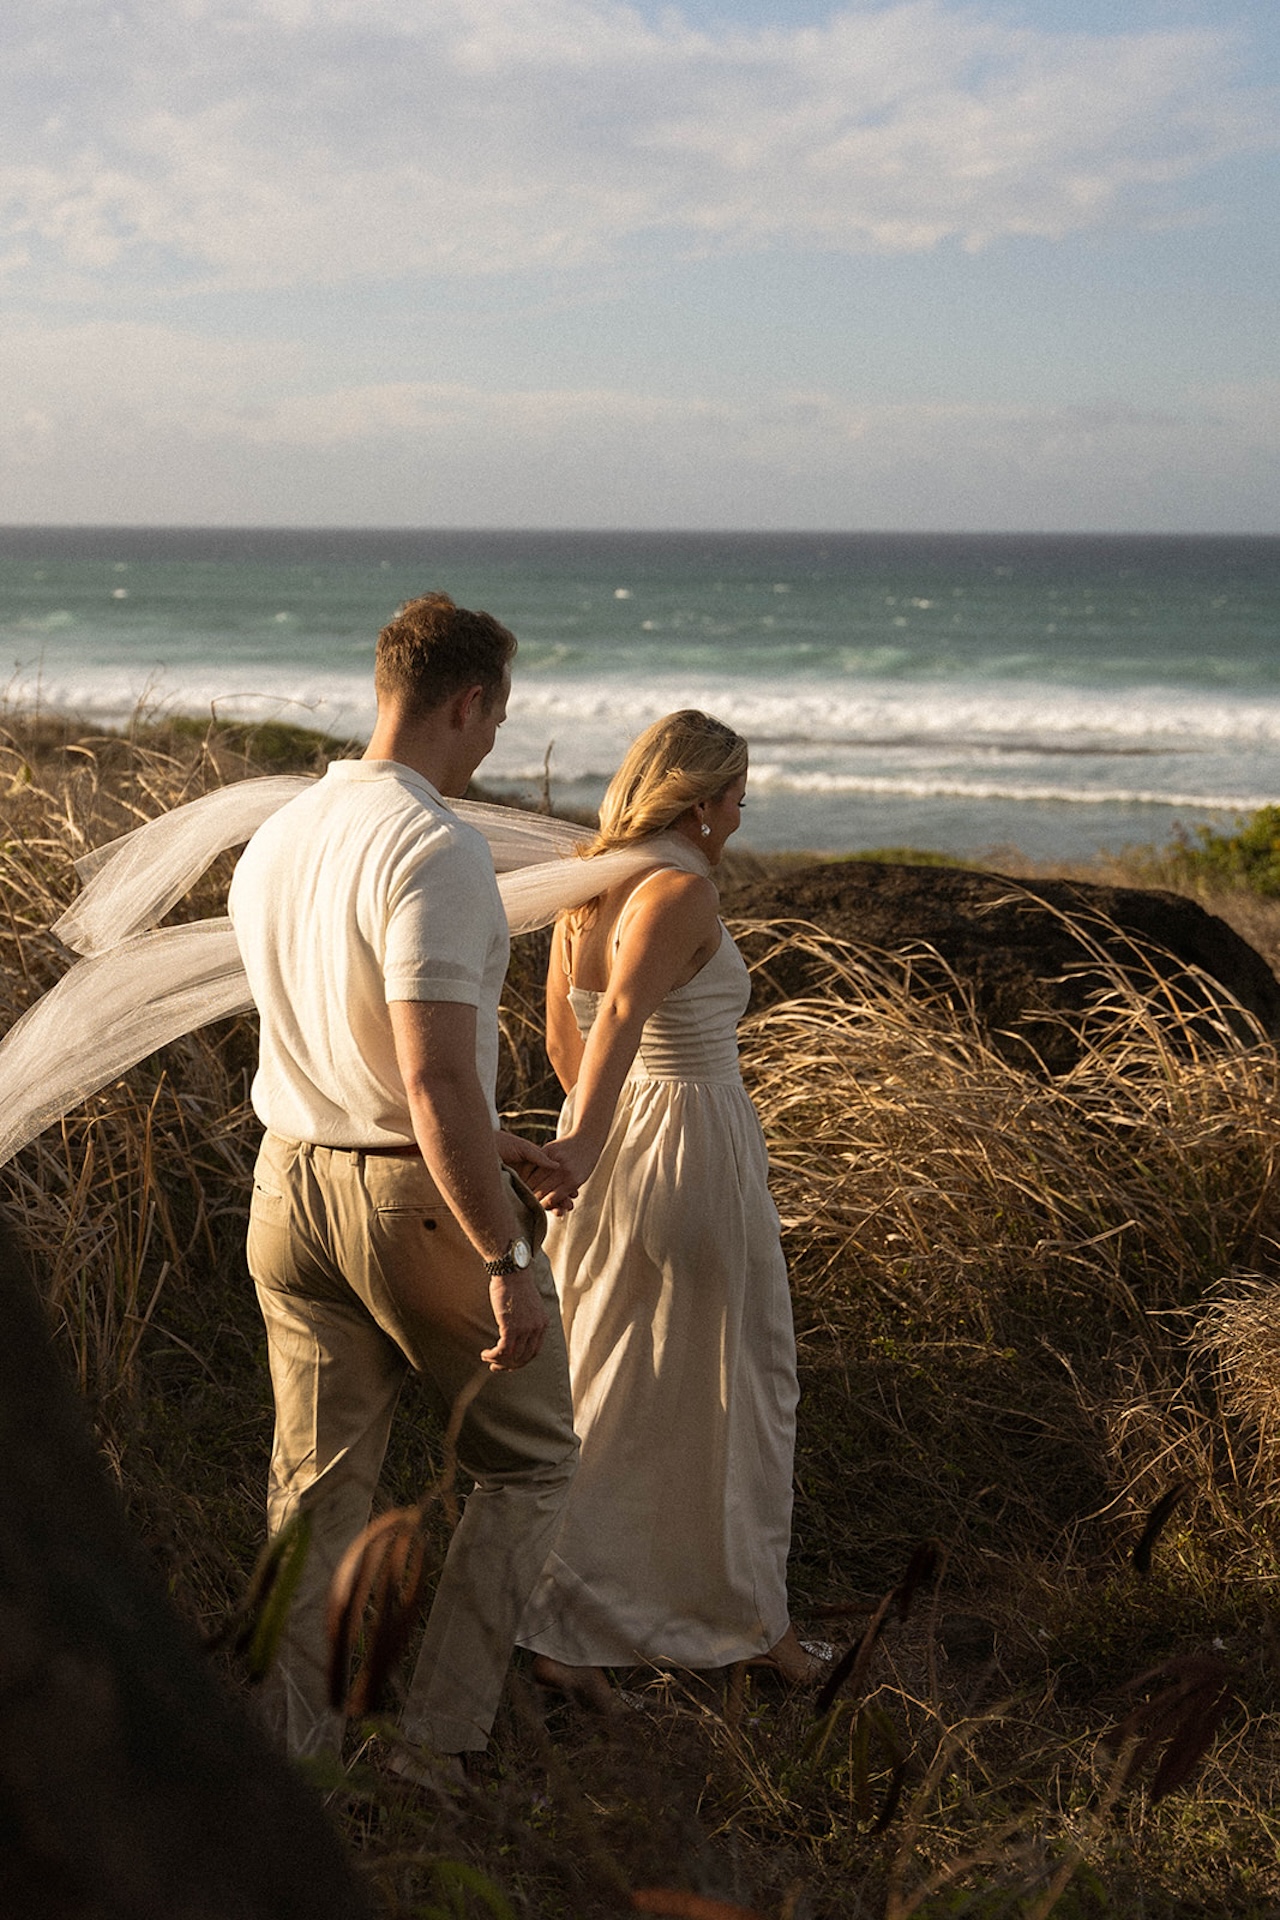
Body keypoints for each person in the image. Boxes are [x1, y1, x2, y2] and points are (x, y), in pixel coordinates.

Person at [227, 592, 580, 1765]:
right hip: (402, 1200)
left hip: (288, 1184)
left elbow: (345, 1041)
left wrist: (491, 1143)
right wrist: (507, 1256)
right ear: (466, 703)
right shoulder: (436, 846)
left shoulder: (280, 834)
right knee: (530, 1463)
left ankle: (289, 1764)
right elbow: (430, 1083)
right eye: (490, 725)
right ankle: (431, 1753)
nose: (486, 749)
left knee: (315, 1494)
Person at [516, 710, 823, 1706]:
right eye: (737, 792)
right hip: (685, 1143)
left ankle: (563, 1627)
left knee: (604, 1393)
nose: (742, 809)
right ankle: (750, 1625)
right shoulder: (681, 886)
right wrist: (586, 1148)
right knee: (735, 1387)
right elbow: (617, 1020)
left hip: (601, 1143)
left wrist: (582, 1144)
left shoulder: (585, 884)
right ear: (699, 803)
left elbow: (569, 1048)